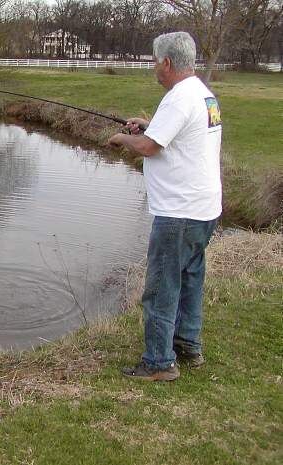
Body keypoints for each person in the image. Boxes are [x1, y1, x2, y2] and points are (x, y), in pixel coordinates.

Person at [107, 31, 222, 381]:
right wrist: (146, 126)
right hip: (205, 209)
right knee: (189, 278)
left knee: (160, 287)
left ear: (168, 62)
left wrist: (123, 137)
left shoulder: (178, 98)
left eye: (156, 62)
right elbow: (172, 136)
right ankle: (187, 344)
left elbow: (149, 148)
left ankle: (158, 362)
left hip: (178, 212)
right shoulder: (204, 96)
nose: (155, 69)